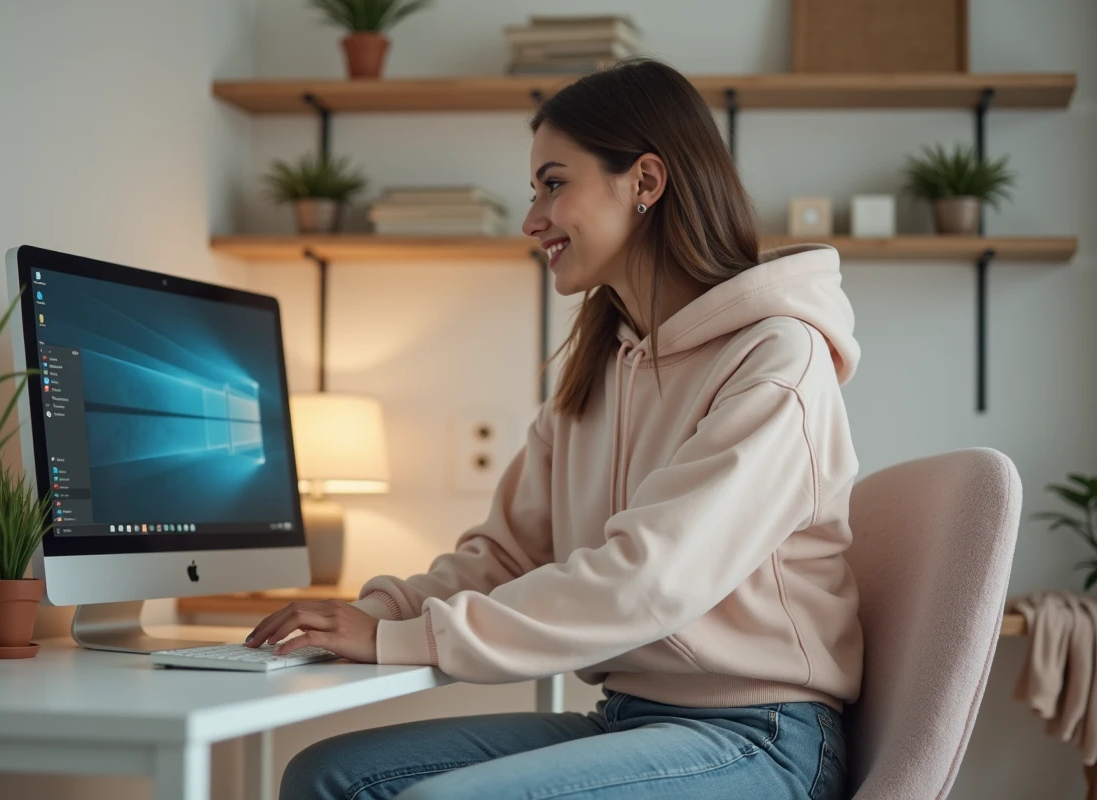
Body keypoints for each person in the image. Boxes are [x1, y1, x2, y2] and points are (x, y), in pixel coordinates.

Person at [250, 56, 862, 800]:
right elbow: (504, 555)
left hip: (760, 736)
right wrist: (376, 612)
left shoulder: (776, 357)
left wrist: (399, 642)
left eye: (554, 183)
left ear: (644, 181)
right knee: (327, 775)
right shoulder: (601, 368)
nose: (532, 218)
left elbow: (650, 579)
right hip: (632, 717)